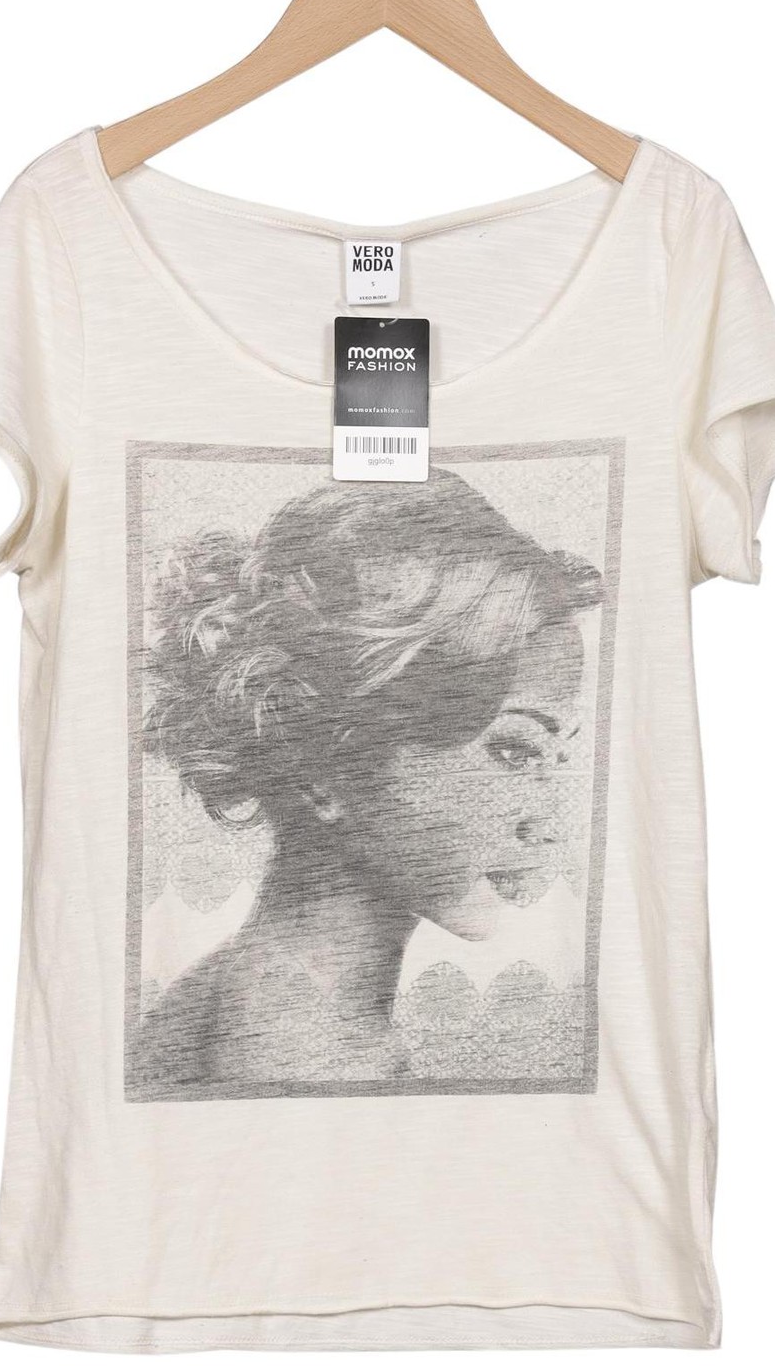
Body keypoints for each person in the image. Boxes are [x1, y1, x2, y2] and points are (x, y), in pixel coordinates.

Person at [136, 466, 603, 1091]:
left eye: (558, 759)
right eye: (514, 752)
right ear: (325, 769)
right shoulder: (302, 1046)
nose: (549, 823)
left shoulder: (260, 994)